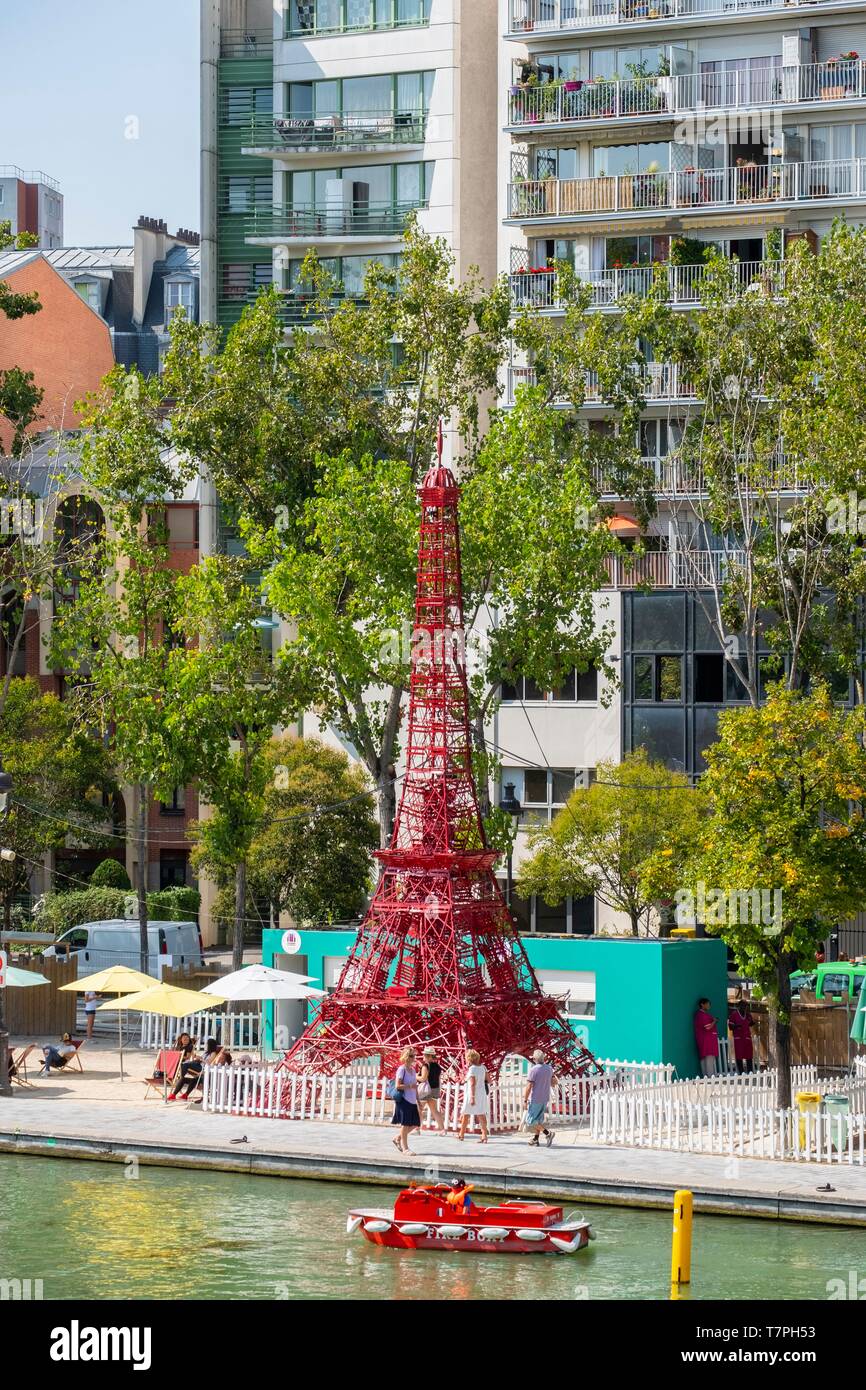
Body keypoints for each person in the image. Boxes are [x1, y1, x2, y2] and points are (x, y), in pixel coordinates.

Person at [524, 1048, 556, 1147]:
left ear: (534, 1058)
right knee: (538, 1120)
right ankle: (536, 1139)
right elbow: (553, 1082)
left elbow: (529, 1086)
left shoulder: (534, 1070)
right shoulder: (549, 1068)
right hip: (545, 1097)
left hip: (536, 1098)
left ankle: (548, 1133)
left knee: (531, 1121)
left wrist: (525, 1100)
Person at [391, 1046, 421, 1153]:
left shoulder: (413, 1070)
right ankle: (405, 1148)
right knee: (406, 1124)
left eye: (415, 1056)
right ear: (407, 1057)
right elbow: (398, 1086)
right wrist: (409, 1086)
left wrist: (418, 1100)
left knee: (415, 1124)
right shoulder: (401, 1069)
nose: (414, 1058)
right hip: (404, 1100)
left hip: (412, 1100)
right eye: (412, 1056)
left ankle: (398, 1138)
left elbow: (415, 1086)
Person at [458, 1049, 488, 1143]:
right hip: (481, 1093)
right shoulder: (483, 1067)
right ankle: (484, 1136)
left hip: (472, 1094)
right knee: (481, 1114)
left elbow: (472, 1084)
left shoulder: (472, 1069)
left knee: (466, 1114)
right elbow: (488, 1079)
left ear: (469, 1059)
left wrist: (472, 1097)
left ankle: (461, 1134)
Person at [418, 1046, 445, 1133]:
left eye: (425, 1055)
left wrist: (415, 1076)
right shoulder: (437, 1066)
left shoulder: (426, 1066)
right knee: (434, 1110)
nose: (423, 1057)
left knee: (419, 1109)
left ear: (429, 1056)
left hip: (426, 1091)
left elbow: (423, 1078)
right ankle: (442, 1130)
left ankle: (417, 1129)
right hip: (435, 1090)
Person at [168, 1034, 202, 1101]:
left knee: (183, 1075)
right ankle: (168, 1075)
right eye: (184, 1038)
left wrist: (179, 1056)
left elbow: (187, 1057)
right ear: (181, 1040)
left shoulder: (189, 1046)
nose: (186, 1039)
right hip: (177, 1062)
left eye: (187, 1038)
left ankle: (177, 1078)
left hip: (184, 1063)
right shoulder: (179, 1046)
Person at [728, 990, 755, 1074]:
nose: (745, 1007)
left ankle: (750, 1071)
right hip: (738, 1038)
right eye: (743, 1006)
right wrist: (737, 1026)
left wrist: (751, 1023)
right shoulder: (734, 1015)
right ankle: (741, 1072)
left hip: (747, 1037)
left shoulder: (748, 1015)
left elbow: (750, 1023)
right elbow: (730, 1026)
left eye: (746, 1006)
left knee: (749, 1055)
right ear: (739, 1006)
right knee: (739, 1055)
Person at [694, 998, 719, 1077]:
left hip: (706, 1041)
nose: (709, 1005)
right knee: (709, 1059)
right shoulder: (702, 1015)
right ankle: (710, 1077)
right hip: (707, 1041)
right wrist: (714, 1021)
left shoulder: (701, 1015)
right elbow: (707, 1027)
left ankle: (706, 1076)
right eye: (707, 1004)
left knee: (705, 1059)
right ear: (702, 1004)